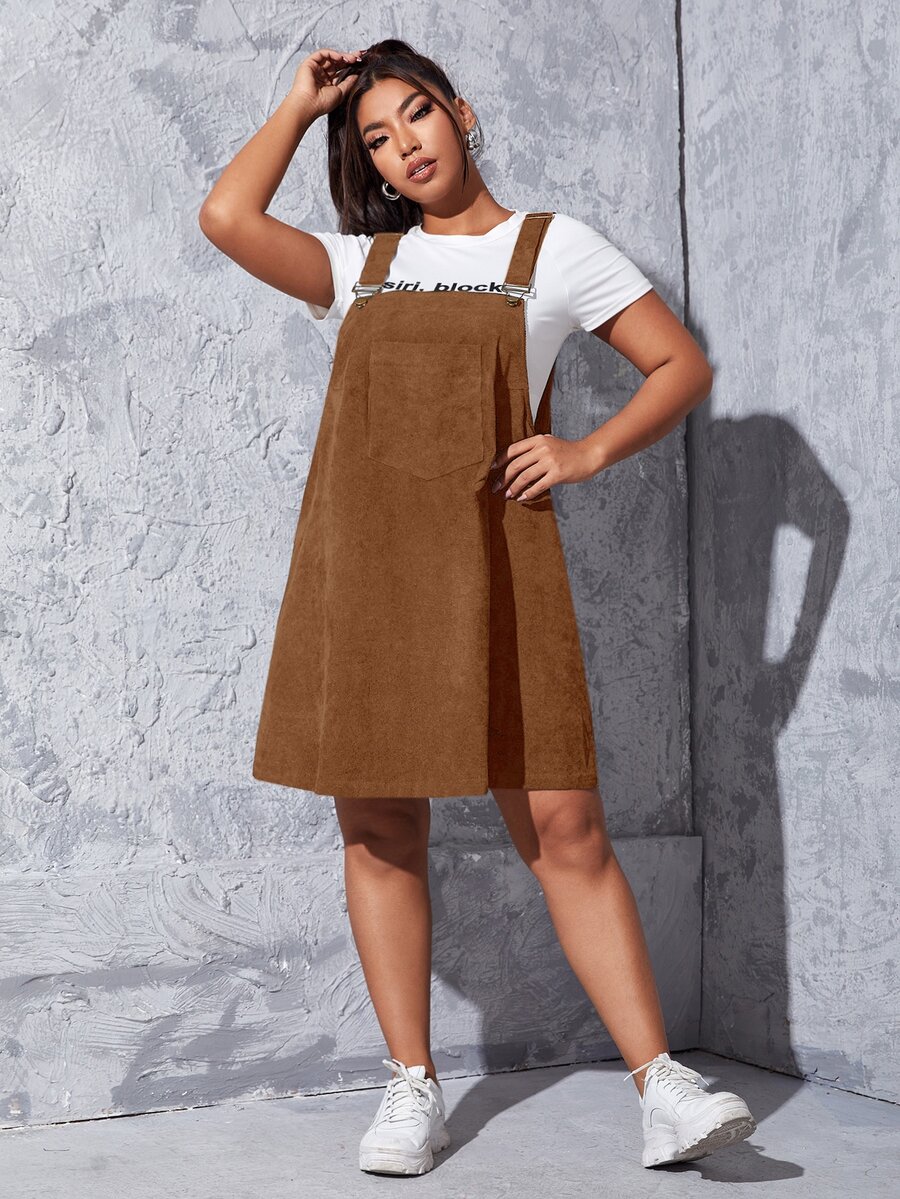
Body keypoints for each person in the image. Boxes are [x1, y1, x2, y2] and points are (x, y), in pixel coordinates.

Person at [199, 37, 756, 1177]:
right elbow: (226, 216)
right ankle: (414, 1086)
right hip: (366, 575)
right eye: (376, 138)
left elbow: (681, 366)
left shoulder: (555, 250)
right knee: (380, 827)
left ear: (459, 110)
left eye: (416, 114)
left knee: (567, 829)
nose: (404, 146)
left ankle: (662, 1086)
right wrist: (300, 107)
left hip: (504, 571)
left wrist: (586, 449)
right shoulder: (364, 266)